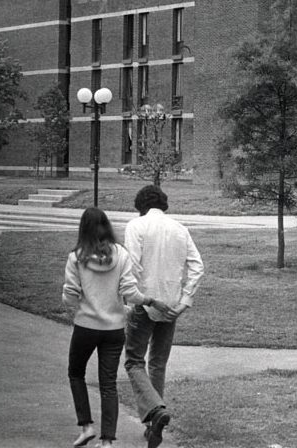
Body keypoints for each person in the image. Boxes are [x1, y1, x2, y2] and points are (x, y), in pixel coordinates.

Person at [62, 208, 170, 448]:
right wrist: (150, 301)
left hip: (86, 326)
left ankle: (86, 426)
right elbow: (130, 292)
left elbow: (70, 295)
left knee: (76, 373)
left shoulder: (76, 257)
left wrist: (73, 306)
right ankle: (108, 441)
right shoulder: (121, 254)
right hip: (114, 330)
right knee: (108, 382)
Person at [123, 185, 204, 448]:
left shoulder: (136, 226)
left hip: (144, 302)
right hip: (170, 305)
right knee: (158, 362)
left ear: (141, 205)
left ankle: (155, 412)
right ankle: (153, 422)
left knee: (134, 361)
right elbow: (196, 266)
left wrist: (133, 298)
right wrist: (184, 301)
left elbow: (132, 266)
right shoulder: (180, 229)